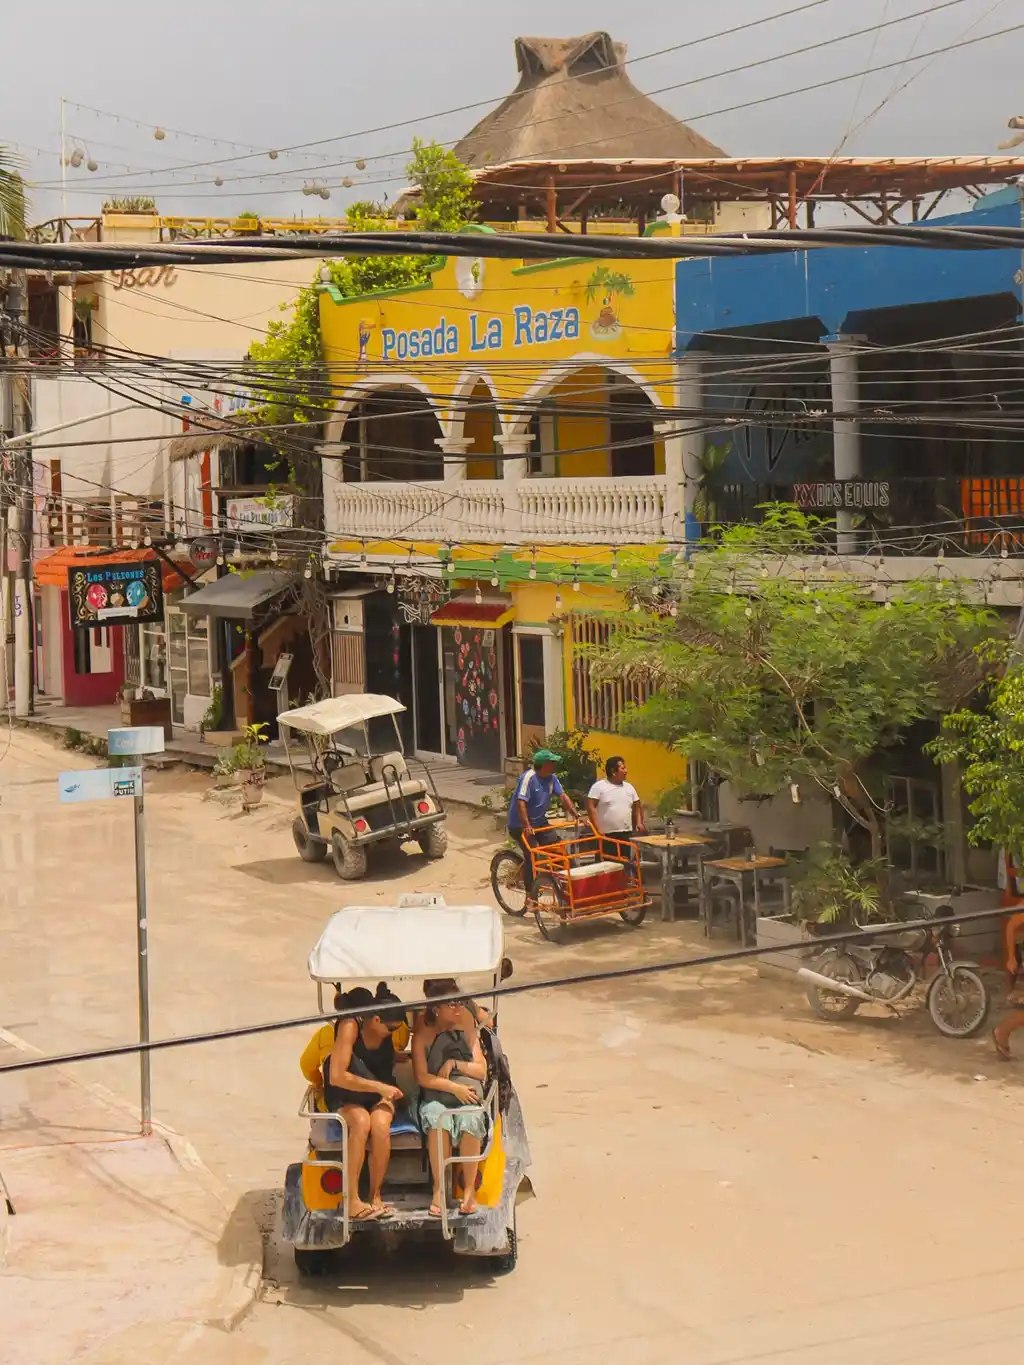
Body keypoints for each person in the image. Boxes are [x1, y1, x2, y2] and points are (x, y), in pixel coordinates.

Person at [324, 983, 406, 1220]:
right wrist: (379, 1088)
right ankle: (351, 1200)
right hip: (348, 1091)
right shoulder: (351, 1026)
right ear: (376, 1020)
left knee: (380, 1124)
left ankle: (375, 1195)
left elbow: (379, 1060)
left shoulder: (385, 1033)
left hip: (379, 1088)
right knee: (361, 1121)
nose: (393, 1033)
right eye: (391, 1028)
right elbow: (337, 1076)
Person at [412, 980, 489, 1217]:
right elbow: (422, 1077)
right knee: (438, 1118)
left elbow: (481, 1070)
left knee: (470, 1118)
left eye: (460, 1003)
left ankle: (469, 1190)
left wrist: (455, 1064)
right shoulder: (422, 1035)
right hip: (437, 1092)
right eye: (452, 1004)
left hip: (467, 1089)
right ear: (437, 1008)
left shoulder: (466, 1024)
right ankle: (438, 1188)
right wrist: (453, 1088)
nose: (459, 1008)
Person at [507, 748, 577, 895]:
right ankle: (530, 896)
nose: (554, 765)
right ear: (544, 765)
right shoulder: (528, 778)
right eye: (552, 762)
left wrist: (576, 815)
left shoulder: (552, 778)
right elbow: (521, 802)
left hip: (540, 822)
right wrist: (527, 825)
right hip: (520, 825)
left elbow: (563, 796)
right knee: (533, 855)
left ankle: (570, 888)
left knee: (559, 852)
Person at [587, 755, 646, 863]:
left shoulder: (629, 787)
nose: (626, 771)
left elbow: (637, 805)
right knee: (606, 864)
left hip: (625, 833)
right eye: (623, 768)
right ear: (613, 772)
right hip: (606, 835)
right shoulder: (599, 787)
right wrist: (597, 829)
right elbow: (591, 807)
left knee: (624, 863)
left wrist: (639, 822)